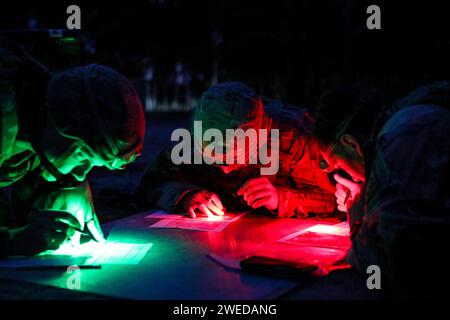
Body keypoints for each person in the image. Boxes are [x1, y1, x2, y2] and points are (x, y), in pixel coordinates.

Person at [0, 38, 145, 257]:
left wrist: (63, 185)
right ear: (61, 122)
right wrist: (12, 241)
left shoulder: (37, 109)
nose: (80, 173)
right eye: (84, 157)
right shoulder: (5, 111)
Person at [312, 82, 450, 297]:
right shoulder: (414, 123)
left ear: (350, 143)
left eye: (338, 165)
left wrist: (361, 214)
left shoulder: (407, 135)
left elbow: (386, 263)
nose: (348, 175)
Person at [137, 81, 336, 219]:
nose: (225, 169)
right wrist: (185, 195)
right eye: (212, 158)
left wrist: (280, 198)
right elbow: (152, 180)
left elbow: (336, 198)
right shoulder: (197, 135)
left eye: (234, 159)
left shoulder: (295, 138)